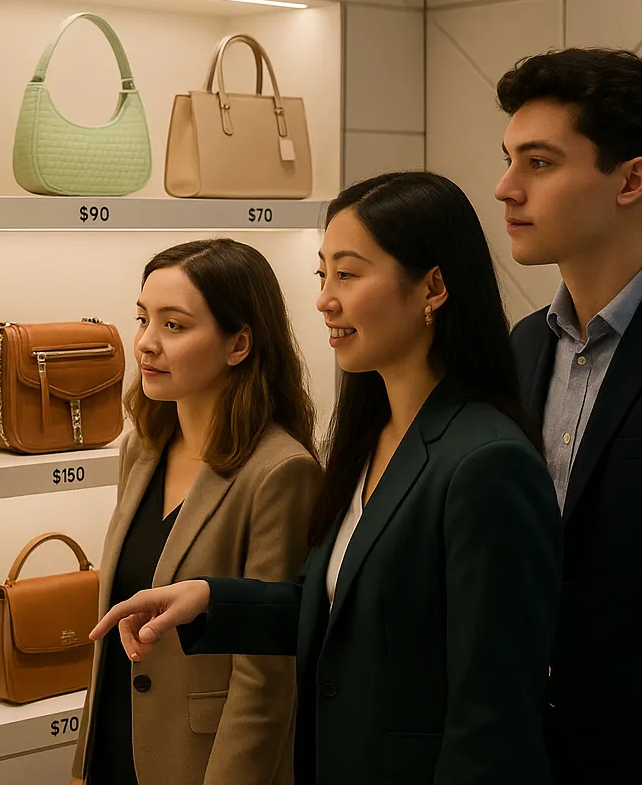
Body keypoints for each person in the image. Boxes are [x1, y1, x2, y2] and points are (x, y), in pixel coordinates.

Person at [89, 171, 561, 785]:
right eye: (322, 274)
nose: (323, 300)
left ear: (433, 287)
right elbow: (335, 616)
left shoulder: (486, 461)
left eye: (348, 273)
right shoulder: (369, 439)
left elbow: (491, 716)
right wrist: (211, 598)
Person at [494, 48, 642, 783]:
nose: (506, 188)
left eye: (540, 164)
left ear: (633, 179)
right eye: (509, 160)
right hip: (522, 747)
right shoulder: (523, 347)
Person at [71, 238, 322, 785]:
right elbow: (115, 622)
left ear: (239, 344)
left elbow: (266, 677)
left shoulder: (279, 472)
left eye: (175, 326)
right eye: (143, 319)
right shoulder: (142, 449)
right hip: (117, 750)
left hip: (201, 764)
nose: (145, 344)